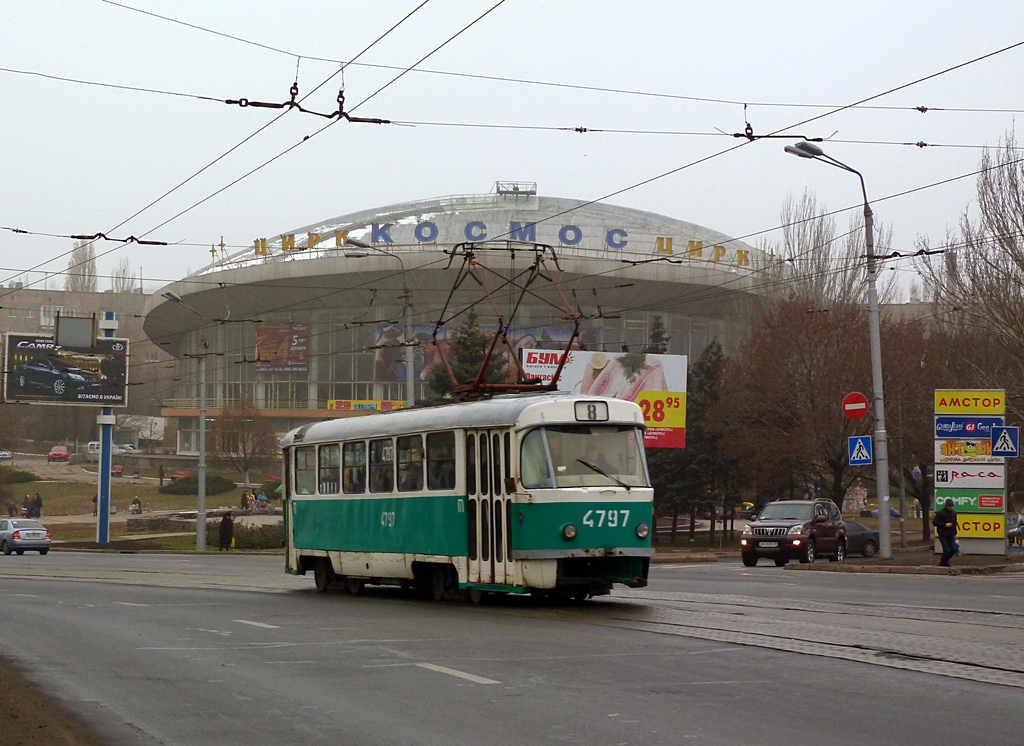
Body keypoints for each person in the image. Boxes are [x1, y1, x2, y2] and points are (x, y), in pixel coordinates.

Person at [933, 498, 959, 567]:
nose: (950, 508)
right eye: (949, 506)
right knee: (946, 549)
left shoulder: (954, 513)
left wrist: (955, 533)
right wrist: (945, 524)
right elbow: (935, 522)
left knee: (954, 549)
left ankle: (944, 561)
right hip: (942, 534)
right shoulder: (940, 513)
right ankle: (945, 563)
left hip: (950, 534)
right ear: (946, 506)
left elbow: (954, 524)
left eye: (951, 506)